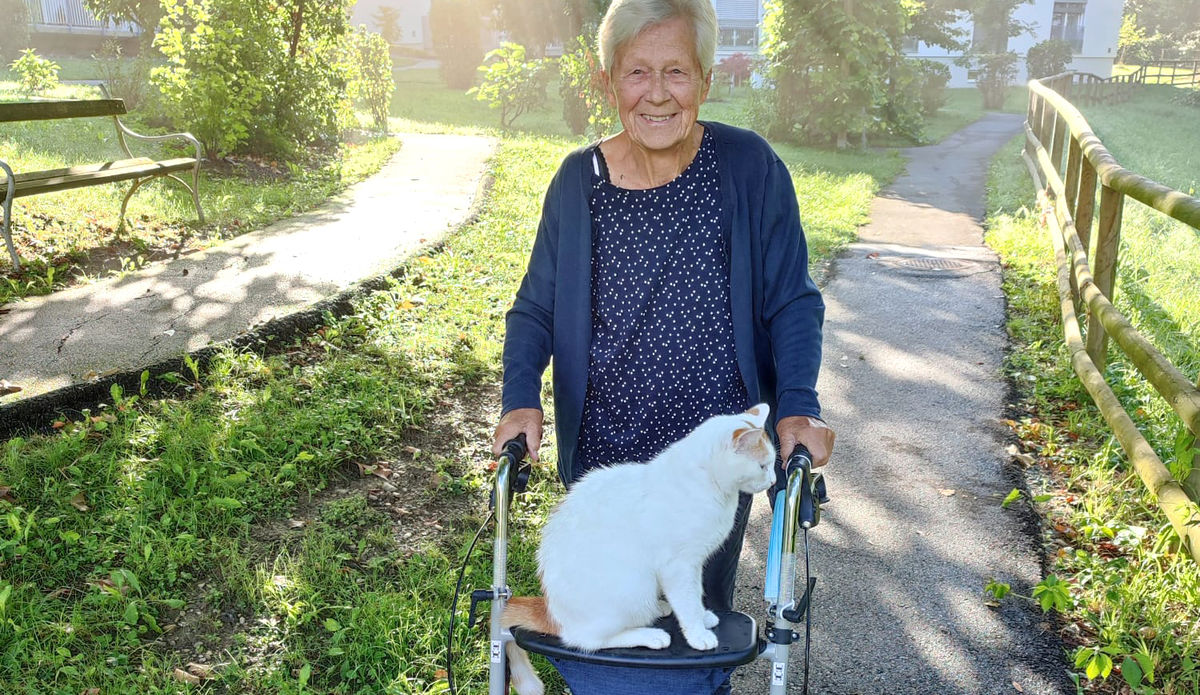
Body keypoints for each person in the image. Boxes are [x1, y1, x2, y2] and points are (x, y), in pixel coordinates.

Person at [493, 0, 834, 689]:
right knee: (614, 630)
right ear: (607, 82)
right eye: (637, 72)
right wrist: (520, 397)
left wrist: (798, 402)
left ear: (705, 79)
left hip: (711, 463)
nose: (657, 93)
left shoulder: (748, 167)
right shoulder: (577, 183)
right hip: (608, 463)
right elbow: (534, 309)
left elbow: (792, 300)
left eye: (676, 71)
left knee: (694, 625)